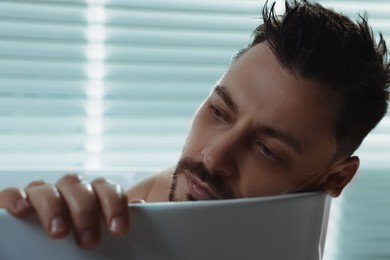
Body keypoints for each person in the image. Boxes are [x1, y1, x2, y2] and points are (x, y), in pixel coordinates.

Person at [1, 0, 389, 250]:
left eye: (267, 150)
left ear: (335, 178)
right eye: (219, 112)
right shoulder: (144, 204)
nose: (213, 156)